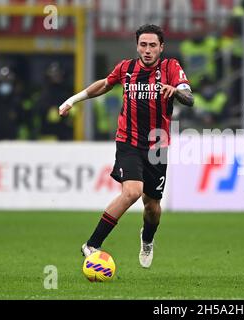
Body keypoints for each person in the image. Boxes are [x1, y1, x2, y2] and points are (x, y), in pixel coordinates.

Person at [58, 24, 194, 268]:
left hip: (157, 147)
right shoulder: (126, 68)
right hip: (128, 141)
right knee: (131, 191)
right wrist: (72, 100)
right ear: (137, 46)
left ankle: (147, 238)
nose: (148, 50)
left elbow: (189, 97)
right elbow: (104, 84)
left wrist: (175, 91)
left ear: (161, 47)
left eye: (153, 45)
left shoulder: (171, 67)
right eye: (143, 44)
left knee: (152, 207)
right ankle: (92, 244)